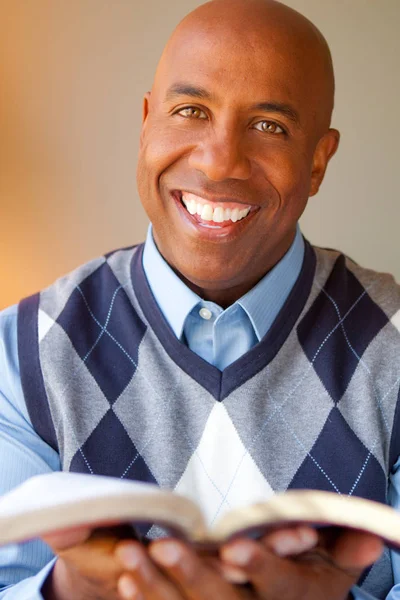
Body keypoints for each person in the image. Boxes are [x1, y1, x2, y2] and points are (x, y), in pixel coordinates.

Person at [0, 0, 399, 598]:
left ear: (318, 161)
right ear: (146, 124)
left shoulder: (393, 345)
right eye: (190, 111)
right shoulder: (24, 351)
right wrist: (70, 590)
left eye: (269, 126)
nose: (219, 161)